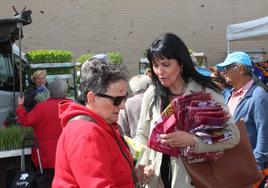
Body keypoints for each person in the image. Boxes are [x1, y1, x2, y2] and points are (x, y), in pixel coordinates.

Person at [134, 33, 240, 188]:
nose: (159, 71)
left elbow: (232, 135)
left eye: (166, 64)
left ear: (181, 63)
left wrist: (193, 140)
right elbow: (142, 134)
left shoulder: (206, 92)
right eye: (155, 65)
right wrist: (142, 165)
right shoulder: (152, 94)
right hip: (155, 180)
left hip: (195, 180)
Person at [52, 58, 137, 188]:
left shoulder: (102, 125)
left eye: (124, 98)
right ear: (92, 99)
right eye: (117, 99)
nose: (122, 106)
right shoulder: (86, 133)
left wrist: (132, 175)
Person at [216, 51, 268, 170]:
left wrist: (256, 166)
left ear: (239, 69)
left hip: (248, 167)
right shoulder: (228, 94)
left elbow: (264, 133)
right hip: (229, 163)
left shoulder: (259, 96)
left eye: (227, 67)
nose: (223, 71)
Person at [16, 77, 70, 187]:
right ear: (65, 91)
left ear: (49, 91)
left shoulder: (41, 107)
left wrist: (20, 106)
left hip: (45, 159)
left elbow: (25, 121)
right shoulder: (72, 106)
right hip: (68, 156)